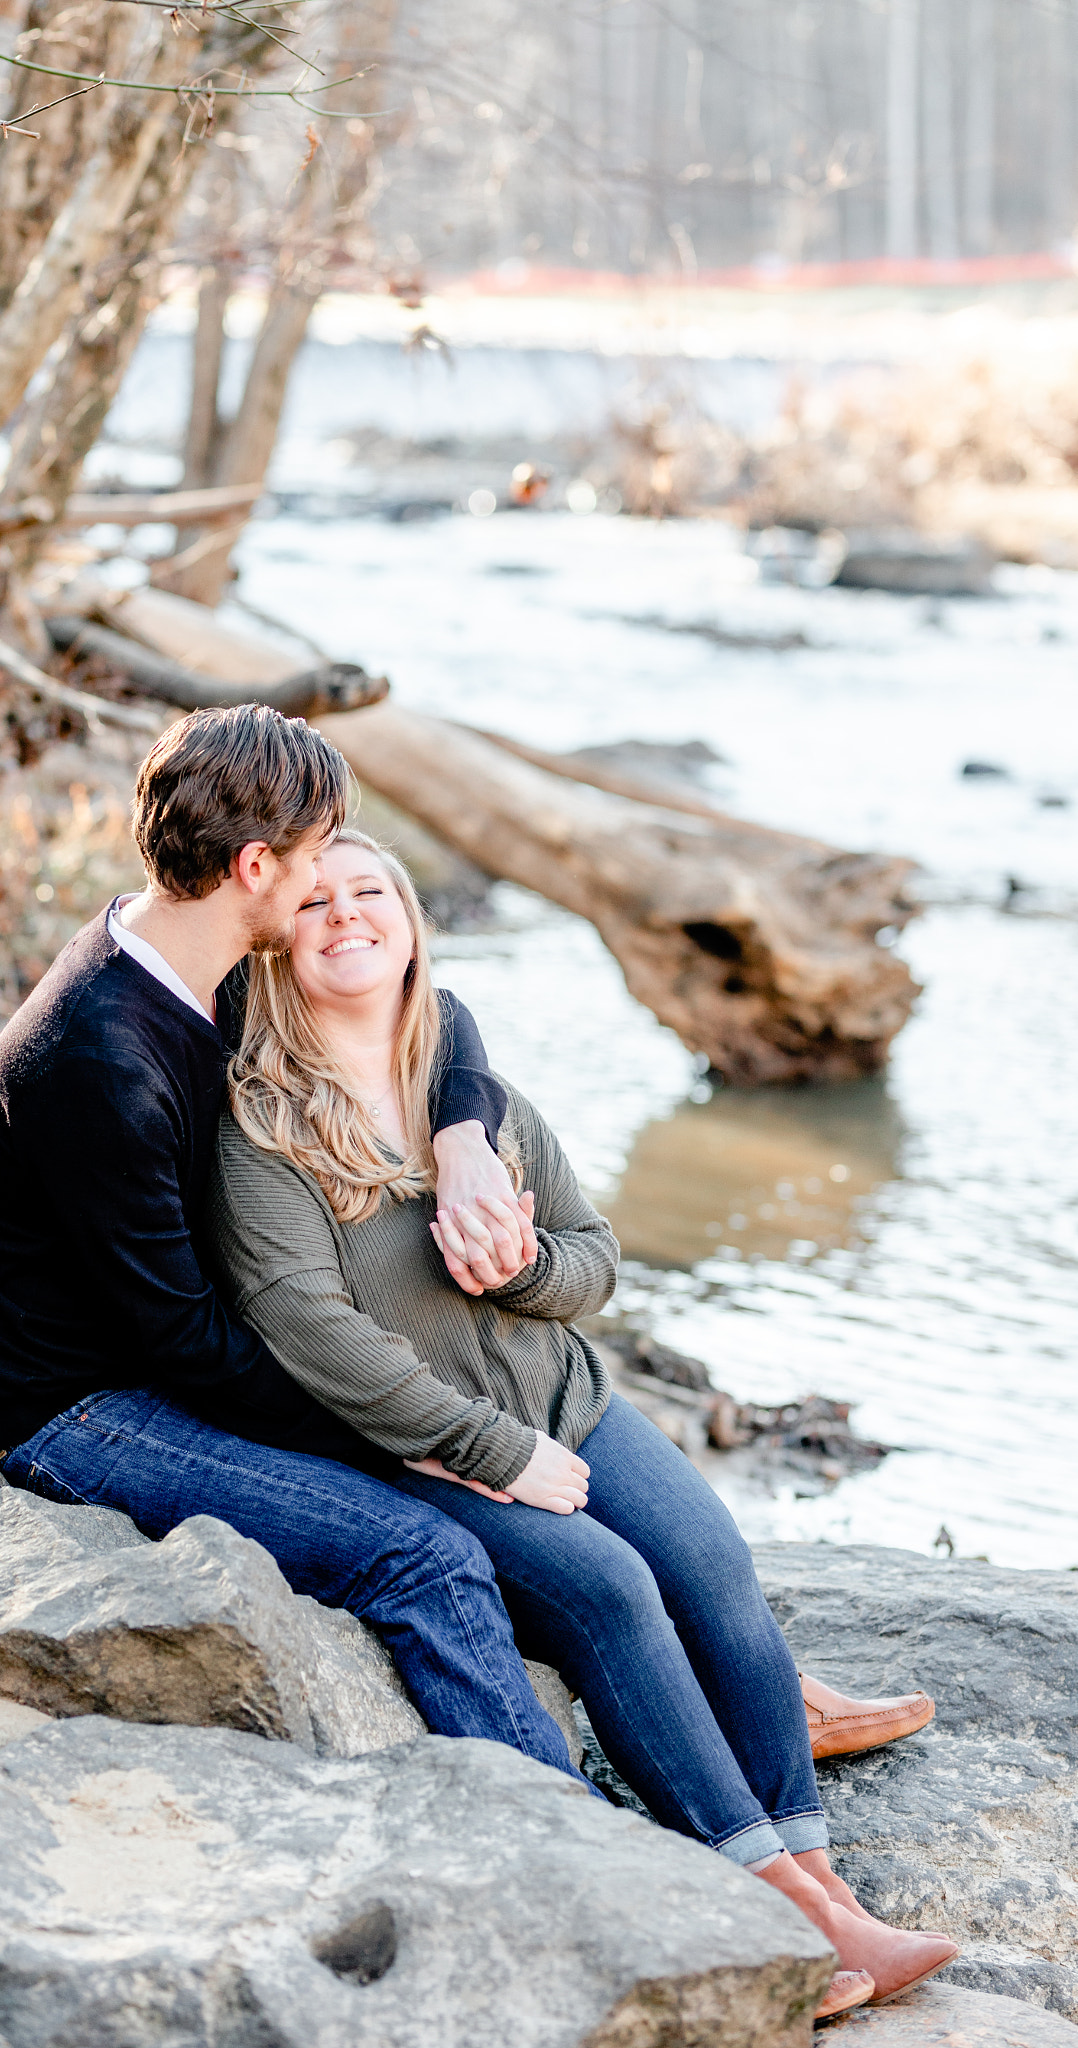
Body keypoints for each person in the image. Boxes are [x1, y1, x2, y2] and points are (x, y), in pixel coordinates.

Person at [207, 826, 960, 2017]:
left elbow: (593, 1259)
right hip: (425, 1451)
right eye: (315, 903)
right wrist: (492, 1451)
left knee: (712, 1561)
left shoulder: (473, 1098)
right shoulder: (262, 1129)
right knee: (611, 1588)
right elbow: (310, 1332)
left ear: (410, 926)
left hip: (573, 1401)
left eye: (370, 892)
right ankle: (774, 1906)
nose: (345, 914)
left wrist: (516, 1268)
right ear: (277, 943)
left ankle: (826, 1887)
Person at [0, 704, 581, 1775]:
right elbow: (185, 1346)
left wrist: (463, 1132)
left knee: (483, 1449)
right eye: (313, 855)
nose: (327, 879)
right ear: (253, 865)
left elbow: (438, 1010)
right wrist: (409, 1432)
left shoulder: (186, 951)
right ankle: (573, 1845)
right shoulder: (101, 1060)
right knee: (426, 1551)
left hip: (174, 1359)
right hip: (76, 1408)